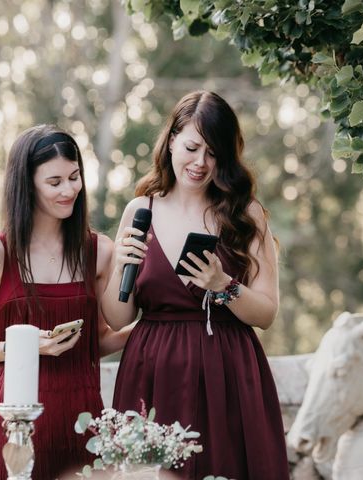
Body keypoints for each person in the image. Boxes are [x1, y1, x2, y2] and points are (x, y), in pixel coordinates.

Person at [101, 91, 289, 479]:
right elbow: (119, 316)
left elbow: (267, 313)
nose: (201, 163)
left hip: (228, 373)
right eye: (192, 147)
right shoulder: (140, 211)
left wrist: (223, 285)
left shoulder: (245, 214)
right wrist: (121, 263)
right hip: (150, 373)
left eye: (214, 152)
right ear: (171, 139)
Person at [0, 125, 127, 479]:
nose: (69, 190)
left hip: (85, 429)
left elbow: (98, 340)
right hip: (15, 435)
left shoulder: (100, 251)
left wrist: (149, 328)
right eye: (55, 181)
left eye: (74, 177)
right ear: (27, 184)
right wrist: (30, 346)